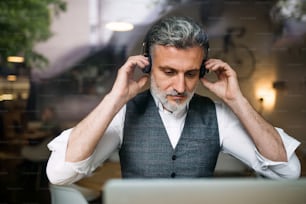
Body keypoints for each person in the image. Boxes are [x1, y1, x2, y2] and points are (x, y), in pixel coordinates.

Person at [46, 16, 301, 184]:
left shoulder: (218, 116)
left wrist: (238, 101)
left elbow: (288, 172)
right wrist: (114, 99)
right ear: (147, 67)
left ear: (201, 71)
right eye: (168, 72)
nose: (180, 86)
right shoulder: (124, 114)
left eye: (190, 74)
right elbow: (59, 173)